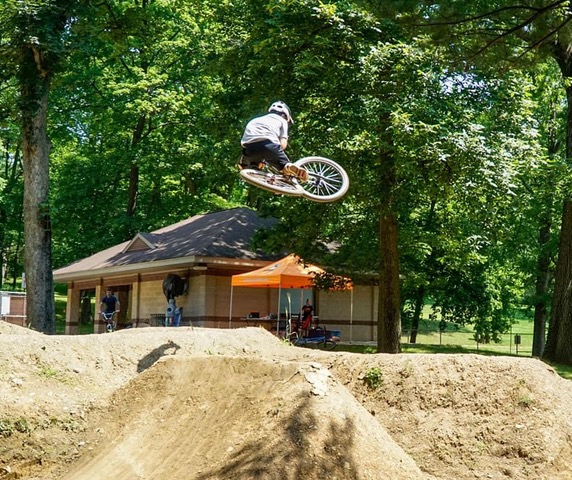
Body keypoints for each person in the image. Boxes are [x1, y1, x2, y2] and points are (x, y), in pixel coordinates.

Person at [239, 101, 309, 181]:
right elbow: (283, 144)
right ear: (286, 116)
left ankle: (268, 181)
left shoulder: (255, 120)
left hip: (249, 149)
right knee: (283, 165)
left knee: (247, 166)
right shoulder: (282, 121)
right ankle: (288, 167)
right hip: (269, 145)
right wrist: (275, 156)